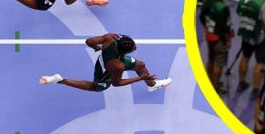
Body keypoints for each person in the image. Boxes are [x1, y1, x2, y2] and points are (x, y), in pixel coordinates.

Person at [38, 33, 170, 92]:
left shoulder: (110, 38)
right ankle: (61, 80)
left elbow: (89, 41)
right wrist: (140, 78)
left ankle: (152, 85)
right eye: (132, 48)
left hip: (111, 57)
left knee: (140, 65)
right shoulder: (118, 66)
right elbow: (116, 83)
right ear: (126, 51)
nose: (135, 47)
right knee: (96, 88)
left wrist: (97, 48)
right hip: (105, 72)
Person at [199, 0, 234, 95]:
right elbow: (225, 27)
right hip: (219, 38)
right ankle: (214, 89)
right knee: (219, 63)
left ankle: (209, 82)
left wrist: (208, 28)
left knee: (211, 58)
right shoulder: (223, 7)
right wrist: (227, 40)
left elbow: (201, 16)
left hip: (209, 35)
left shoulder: (208, 0)